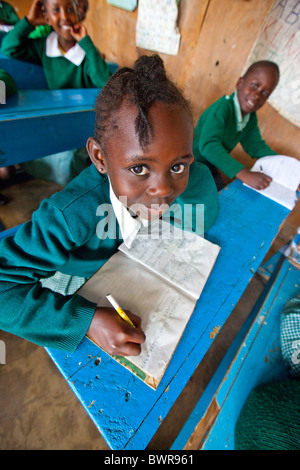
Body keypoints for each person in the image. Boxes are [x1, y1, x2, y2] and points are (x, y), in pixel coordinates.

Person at [0, 54, 219, 357]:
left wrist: (190, 176)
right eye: (140, 168)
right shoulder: (71, 214)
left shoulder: (187, 179)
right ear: (100, 158)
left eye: (178, 166)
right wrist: (86, 322)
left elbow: (201, 212)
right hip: (80, 282)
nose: (162, 189)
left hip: (130, 265)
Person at [193, 60, 280, 190]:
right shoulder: (222, 109)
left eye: (265, 93)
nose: (257, 95)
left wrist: (283, 164)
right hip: (189, 164)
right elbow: (208, 146)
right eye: (255, 86)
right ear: (240, 83)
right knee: (193, 202)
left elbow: (255, 146)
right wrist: (243, 173)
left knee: (221, 199)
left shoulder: (249, 117)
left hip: (209, 167)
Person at [1, 0, 111, 90]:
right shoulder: (43, 46)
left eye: (69, 9)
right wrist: (30, 21)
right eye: (56, 10)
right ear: (47, 18)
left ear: (78, 14)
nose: (65, 17)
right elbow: (8, 48)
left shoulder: (86, 52)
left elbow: (106, 84)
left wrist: (88, 44)